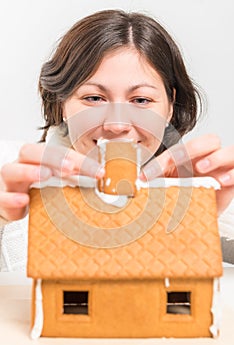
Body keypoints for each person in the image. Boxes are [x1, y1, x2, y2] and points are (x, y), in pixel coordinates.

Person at [0, 9, 233, 231]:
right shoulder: (8, 174)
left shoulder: (210, 187)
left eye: (141, 100)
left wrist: (200, 221)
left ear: (170, 107)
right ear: (62, 104)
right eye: (94, 98)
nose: (117, 125)